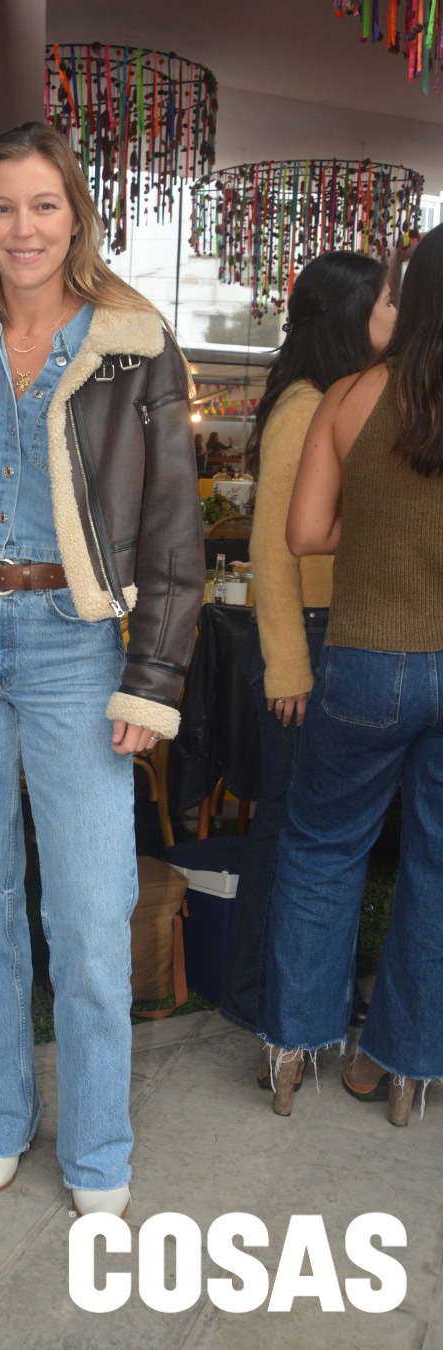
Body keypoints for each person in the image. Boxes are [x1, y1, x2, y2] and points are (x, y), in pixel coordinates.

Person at [0, 124, 203, 1218]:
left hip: (78, 645)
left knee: (89, 913)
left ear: (75, 216)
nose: (23, 228)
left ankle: (96, 1148)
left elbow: (176, 530)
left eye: (43, 206)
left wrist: (157, 679)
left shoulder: (136, 344)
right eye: (1, 208)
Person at [260, 223, 443, 1123]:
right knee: (439, 868)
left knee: (323, 847)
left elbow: (302, 537)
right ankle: (405, 1069)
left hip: (369, 655)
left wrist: (375, 534)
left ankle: (295, 1052)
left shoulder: (348, 396)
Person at [220, 253, 396, 1063]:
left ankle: (274, 992)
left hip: (337, 632)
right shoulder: (304, 406)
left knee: (295, 829)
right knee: (292, 831)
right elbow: (272, 548)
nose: (397, 318)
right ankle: (263, 996)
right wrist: (287, 664)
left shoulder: (342, 400)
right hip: (313, 639)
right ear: (350, 317)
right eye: (386, 305)